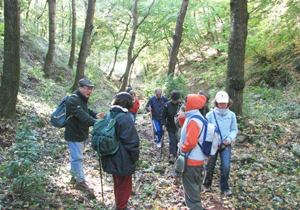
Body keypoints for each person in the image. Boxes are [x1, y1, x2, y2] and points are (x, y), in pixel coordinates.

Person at [65, 78, 104, 198]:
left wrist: (95, 114)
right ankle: (80, 182)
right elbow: (82, 116)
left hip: (81, 134)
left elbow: (86, 110)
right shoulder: (72, 100)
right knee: (77, 158)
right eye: (87, 88)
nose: (89, 91)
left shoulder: (81, 99)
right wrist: (96, 123)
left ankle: (74, 176)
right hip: (74, 135)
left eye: (91, 88)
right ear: (79, 87)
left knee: (77, 157)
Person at [101, 92, 140, 210]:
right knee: (125, 186)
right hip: (123, 158)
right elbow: (132, 143)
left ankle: (119, 204)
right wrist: (135, 159)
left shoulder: (109, 115)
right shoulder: (125, 118)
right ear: (128, 103)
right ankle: (121, 207)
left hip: (109, 155)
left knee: (117, 183)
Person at [203, 91, 238, 196]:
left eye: (224, 103)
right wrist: (213, 142)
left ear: (228, 103)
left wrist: (229, 139)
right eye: (220, 103)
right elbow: (206, 130)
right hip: (213, 144)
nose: (222, 105)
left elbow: (234, 129)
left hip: (226, 144)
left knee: (226, 166)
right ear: (216, 103)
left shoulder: (232, 115)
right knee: (210, 165)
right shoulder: (209, 115)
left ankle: (224, 187)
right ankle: (206, 184)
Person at [178, 94, 207, 210]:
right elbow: (185, 128)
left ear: (191, 104)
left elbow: (191, 142)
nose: (184, 105)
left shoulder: (194, 120)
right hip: (197, 159)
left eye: (186, 103)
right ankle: (195, 204)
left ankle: (196, 207)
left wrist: (182, 148)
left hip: (192, 160)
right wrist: (181, 118)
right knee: (195, 185)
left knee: (191, 188)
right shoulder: (196, 117)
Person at [161, 91, 182, 164]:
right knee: (172, 141)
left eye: (176, 100)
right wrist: (163, 124)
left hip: (179, 127)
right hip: (170, 126)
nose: (175, 102)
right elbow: (163, 116)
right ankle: (172, 155)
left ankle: (176, 154)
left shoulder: (181, 105)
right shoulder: (167, 105)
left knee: (177, 141)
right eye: (173, 100)